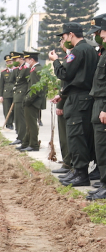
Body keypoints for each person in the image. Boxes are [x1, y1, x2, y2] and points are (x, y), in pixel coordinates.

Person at [51, 22, 98, 187]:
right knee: (82, 136)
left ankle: (80, 173)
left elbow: (65, 73)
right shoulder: (91, 50)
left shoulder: (77, 51)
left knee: (76, 136)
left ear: (71, 34)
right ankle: (78, 172)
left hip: (78, 100)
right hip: (85, 98)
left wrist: (56, 61)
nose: (64, 40)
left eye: (64, 37)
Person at [88, 15, 106, 200]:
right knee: (100, 146)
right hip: (98, 101)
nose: (100, 35)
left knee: (103, 145)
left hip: (103, 103)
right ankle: (103, 183)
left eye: (101, 31)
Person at [20, 51, 46, 152]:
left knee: (32, 124)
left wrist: (27, 100)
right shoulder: (37, 69)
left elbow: (35, 89)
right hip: (34, 101)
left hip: (33, 102)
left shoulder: (36, 70)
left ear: (31, 59)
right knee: (29, 124)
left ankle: (34, 144)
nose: (25, 62)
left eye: (26, 60)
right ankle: (26, 143)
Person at [11, 53, 29, 148]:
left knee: (21, 118)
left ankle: (22, 137)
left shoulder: (26, 68)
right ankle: (19, 135)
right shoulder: (19, 69)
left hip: (21, 95)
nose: (14, 61)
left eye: (15, 59)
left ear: (21, 59)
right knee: (17, 117)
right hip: (17, 95)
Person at [0, 54, 16, 129]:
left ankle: (14, 121)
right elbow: (1, 85)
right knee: (7, 109)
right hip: (6, 93)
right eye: (8, 62)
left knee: (15, 109)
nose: (9, 63)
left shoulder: (16, 70)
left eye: (10, 62)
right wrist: (0, 96)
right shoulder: (4, 72)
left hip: (15, 93)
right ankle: (9, 124)